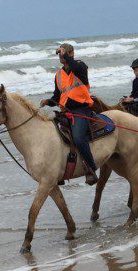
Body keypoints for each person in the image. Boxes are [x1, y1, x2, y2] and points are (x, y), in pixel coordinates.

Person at [40, 43, 98, 185]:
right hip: (65, 111)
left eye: (63, 53)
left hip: (81, 110)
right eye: (59, 54)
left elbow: (75, 67)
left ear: (71, 53)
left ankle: (91, 169)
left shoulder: (80, 66)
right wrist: (49, 101)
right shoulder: (58, 75)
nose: (61, 56)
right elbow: (58, 96)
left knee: (78, 138)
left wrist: (65, 54)